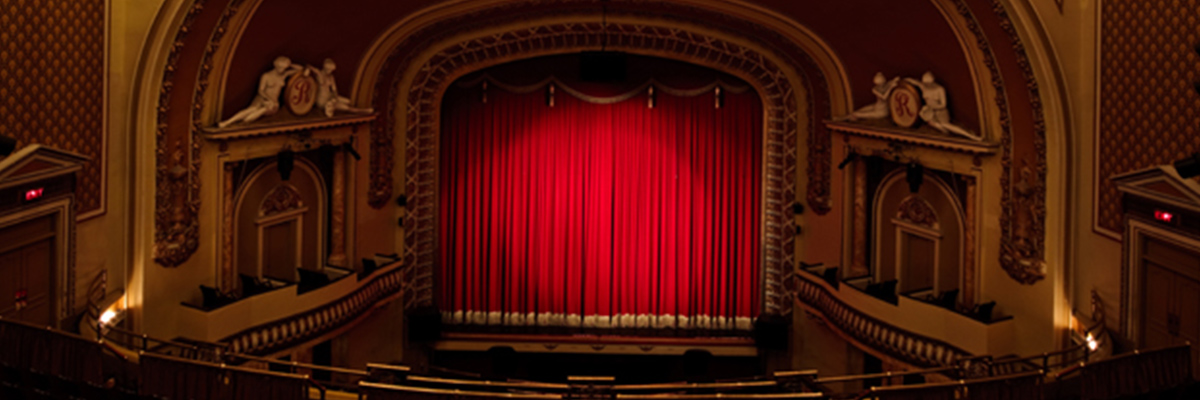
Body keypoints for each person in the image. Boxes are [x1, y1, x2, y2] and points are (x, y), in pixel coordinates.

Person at [218, 56, 302, 128]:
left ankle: (241, 124)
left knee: (255, 114)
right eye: (280, 67)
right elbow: (260, 90)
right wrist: (267, 99)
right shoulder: (266, 76)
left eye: (284, 68)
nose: (281, 70)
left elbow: (300, 69)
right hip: (262, 98)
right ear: (275, 66)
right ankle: (227, 122)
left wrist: (289, 64)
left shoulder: (284, 75)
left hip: (273, 103)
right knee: (251, 109)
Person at [904, 71, 982, 141]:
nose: (926, 85)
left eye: (928, 84)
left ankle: (970, 136)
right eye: (925, 84)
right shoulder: (923, 86)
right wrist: (902, 80)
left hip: (940, 111)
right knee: (932, 123)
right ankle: (946, 134)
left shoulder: (940, 89)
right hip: (930, 112)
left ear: (933, 82)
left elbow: (943, 105)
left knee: (947, 125)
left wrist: (932, 107)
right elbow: (914, 82)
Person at [308, 58, 374, 117]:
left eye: (331, 70)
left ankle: (363, 108)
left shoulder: (331, 77)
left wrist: (334, 97)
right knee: (346, 107)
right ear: (325, 68)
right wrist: (307, 70)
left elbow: (334, 89)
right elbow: (310, 67)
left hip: (330, 96)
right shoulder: (320, 74)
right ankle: (363, 111)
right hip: (323, 101)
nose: (330, 72)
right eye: (329, 70)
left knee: (349, 101)